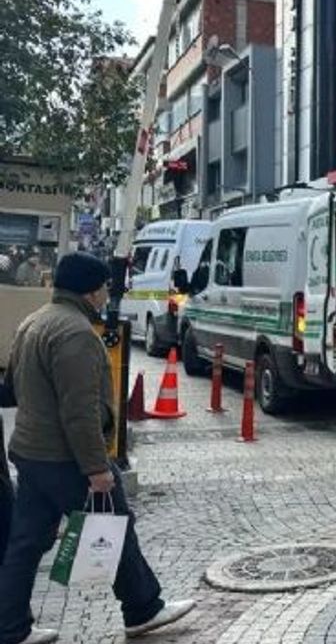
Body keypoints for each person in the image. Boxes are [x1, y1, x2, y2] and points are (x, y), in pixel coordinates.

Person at [0, 253, 196, 644]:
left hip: (31, 451)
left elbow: (15, 388)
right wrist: (97, 468)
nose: (109, 293)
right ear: (92, 290)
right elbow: (80, 411)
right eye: (106, 286)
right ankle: (143, 609)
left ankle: (11, 628)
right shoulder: (74, 333)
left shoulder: (34, 322)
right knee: (115, 524)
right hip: (66, 458)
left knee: (25, 543)